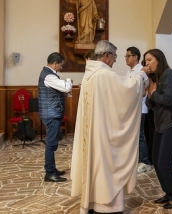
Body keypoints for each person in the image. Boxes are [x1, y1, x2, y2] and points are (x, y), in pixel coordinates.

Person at [71, 40, 149, 214]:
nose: (115, 60)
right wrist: (141, 74)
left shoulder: (90, 74)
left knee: (94, 165)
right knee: (106, 164)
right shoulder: (104, 75)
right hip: (103, 133)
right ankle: (106, 206)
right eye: (114, 55)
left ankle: (91, 202)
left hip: (94, 131)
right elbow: (127, 90)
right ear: (106, 55)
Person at [144, 49, 172, 209]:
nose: (147, 63)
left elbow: (168, 99)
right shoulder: (156, 79)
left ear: (159, 59)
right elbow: (151, 105)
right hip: (161, 124)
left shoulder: (169, 75)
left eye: (149, 60)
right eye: (145, 61)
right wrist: (148, 95)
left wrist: (153, 92)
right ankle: (169, 193)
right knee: (156, 160)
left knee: (164, 163)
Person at [38, 52, 72, 182]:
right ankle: (50, 173)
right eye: (61, 65)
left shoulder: (49, 75)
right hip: (51, 114)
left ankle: (52, 169)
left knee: (53, 143)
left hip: (52, 113)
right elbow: (66, 87)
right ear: (56, 63)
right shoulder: (49, 76)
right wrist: (69, 80)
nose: (61, 68)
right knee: (51, 145)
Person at [125, 46, 152, 174]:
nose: (126, 58)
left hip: (140, 108)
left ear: (135, 57)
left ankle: (145, 162)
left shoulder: (141, 71)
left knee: (140, 136)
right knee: (133, 136)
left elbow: (143, 91)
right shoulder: (129, 72)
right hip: (131, 108)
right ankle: (136, 159)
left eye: (128, 56)